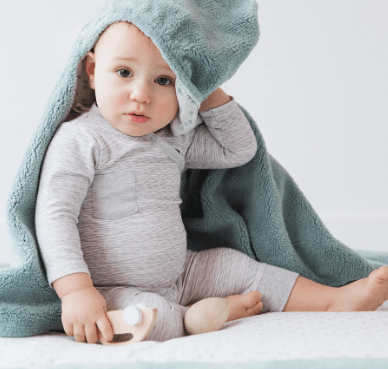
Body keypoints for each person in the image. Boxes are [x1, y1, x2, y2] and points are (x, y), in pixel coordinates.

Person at [36, 19, 388, 346]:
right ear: (93, 71)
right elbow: (55, 215)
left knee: (237, 265)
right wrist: (76, 291)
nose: (141, 94)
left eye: (164, 80)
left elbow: (238, 149)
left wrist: (207, 89)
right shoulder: (82, 140)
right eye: (124, 72)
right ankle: (203, 316)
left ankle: (332, 300)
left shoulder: (172, 139)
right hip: (112, 288)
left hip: (183, 272)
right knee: (149, 319)